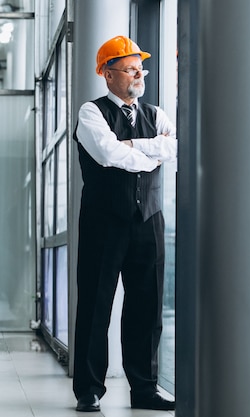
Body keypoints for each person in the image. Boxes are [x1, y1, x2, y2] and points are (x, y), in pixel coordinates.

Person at [72, 35, 177, 412]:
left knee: (147, 307)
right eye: (130, 68)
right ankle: (88, 389)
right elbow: (107, 154)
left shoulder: (156, 112)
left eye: (140, 67)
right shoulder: (90, 112)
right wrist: (149, 149)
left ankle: (145, 388)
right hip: (104, 222)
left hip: (148, 220)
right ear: (107, 73)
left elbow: (173, 146)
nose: (138, 74)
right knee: (95, 305)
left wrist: (132, 148)